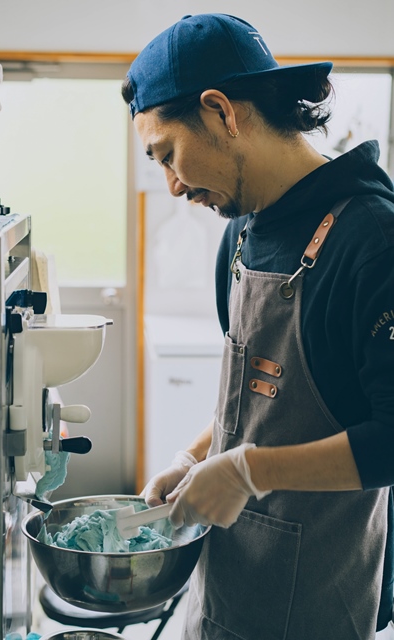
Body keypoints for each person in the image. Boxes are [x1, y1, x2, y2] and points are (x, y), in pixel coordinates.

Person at [122, 13, 394, 640]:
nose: (170, 185)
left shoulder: (370, 241)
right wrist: (195, 458)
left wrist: (249, 472)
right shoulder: (239, 236)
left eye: (169, 155)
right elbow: (253, 402)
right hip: (225, 588)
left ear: (221, 111)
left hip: (319, 599)